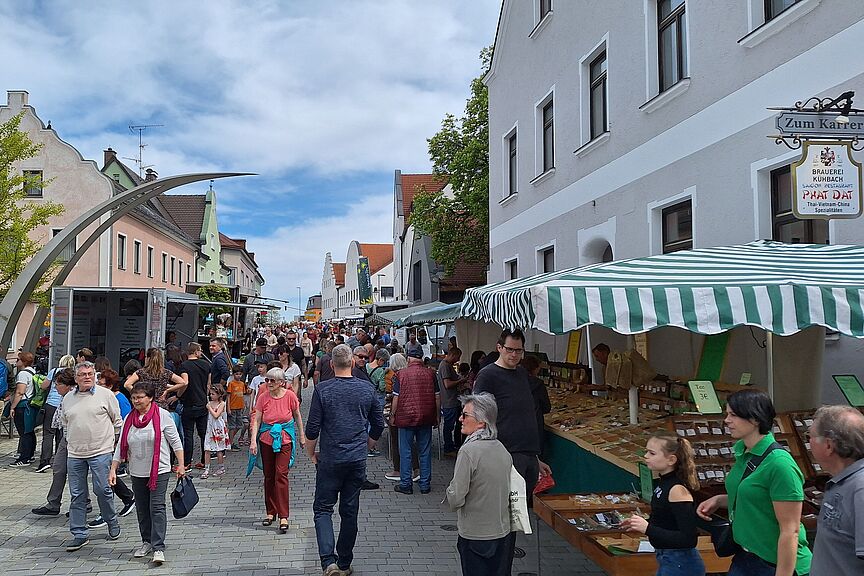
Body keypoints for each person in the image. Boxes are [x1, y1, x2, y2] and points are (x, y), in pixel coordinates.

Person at [696, 389, 811, 576]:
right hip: (745, 557)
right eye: (727, 414)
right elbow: (757, 497)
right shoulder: (743, 452)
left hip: (775, 565)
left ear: (755, 419)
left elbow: (790, 531)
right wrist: (720, 500)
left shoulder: (780, 464)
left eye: (733, 415)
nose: (726, 420)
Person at [473, 328, 552, 573]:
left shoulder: (521, 374)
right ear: (499, 348)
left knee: (513, 521)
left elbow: (525, 415)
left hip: (526, 458)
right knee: (502, 520)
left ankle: (503, 568)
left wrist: (535, 457)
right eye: (510, 350)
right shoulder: (488, 375)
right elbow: (479, 418)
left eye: (519, 351)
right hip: (504, 458)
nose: (515, 355)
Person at [306, 344, 385, 576]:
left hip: (330, 458)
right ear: (352, 363)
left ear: (331, 365)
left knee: (323, 508)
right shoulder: (366, 388)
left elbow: (312, 428)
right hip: (356, 458)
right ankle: (344, 562)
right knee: (350, 511)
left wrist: (311, 453)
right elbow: (378, 423)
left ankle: (328, 561)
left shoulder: (323, 390)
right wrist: (368, 444)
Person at [110, 381, 184, 566]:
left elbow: (176, 442)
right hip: (137, 470)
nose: (136, 401)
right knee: (142, 508)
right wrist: (113, 468)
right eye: (133, 398)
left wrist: (181, 465)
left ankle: (158, 547)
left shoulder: (163, 416)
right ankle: (146, 541)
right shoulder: (129, 418)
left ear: (150, 398)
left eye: (140, 397)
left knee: (156, 507)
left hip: (159, 470)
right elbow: (120, 446)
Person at [446, 392, 512, 576]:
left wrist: (449, 494)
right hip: (501, 531)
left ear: (481, 422)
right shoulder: (501, 448)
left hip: (476, 533)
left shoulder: (468, 451)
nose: (460, 419)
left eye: (465, 415)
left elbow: (456, 496)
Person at [621, 433, 705, 576]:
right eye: (646, 451)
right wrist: (642, 524)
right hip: (668, 558)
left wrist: (647, 528)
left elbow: (688, 538)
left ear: (671, 460)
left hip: (680, 563)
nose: (646, 456)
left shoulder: (677, 490)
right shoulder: (664, 483)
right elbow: (666, 520)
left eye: (652, 453)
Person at [62, 361, 123, 551]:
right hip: (75, 453)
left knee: (103, 490)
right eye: (83, 374)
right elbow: (65, 423)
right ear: (76, 378)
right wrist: (69, 441)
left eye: (90, 374)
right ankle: (79, 533)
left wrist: (116, 446)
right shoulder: (68, 398)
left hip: (101, 451)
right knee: (77, 494)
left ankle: (111, 520)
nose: (87, 377)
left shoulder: (106, 395)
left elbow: (117, 422)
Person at [808, 405, 864, 575]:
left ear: (828, 445)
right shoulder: (844, 481)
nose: (808, 442)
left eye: (810, 436)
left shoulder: (860, 489)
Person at [250, 367, 305, 534]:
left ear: (282, 382)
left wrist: (302, 436)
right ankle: (270, 511)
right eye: (267, 380)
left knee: (281, 474)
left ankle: (283, 515)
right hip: (266, 439)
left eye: (272, 380)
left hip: (285, 439)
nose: (268, 383)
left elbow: (297, 415)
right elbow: (257, 419)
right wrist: (253, 441)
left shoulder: (290, 396)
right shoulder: (263, 397)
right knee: (269, 475)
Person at [391, 348, 440, 495]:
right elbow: (437, 397)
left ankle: (406, 484)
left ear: (408, 359)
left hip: (406, 417)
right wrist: (437, 416)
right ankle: (425, 484)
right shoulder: (431, 374)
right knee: (425, 451)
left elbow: (396, 397)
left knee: (405, 451)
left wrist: (393, 414)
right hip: (426, 416)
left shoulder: (401, 374)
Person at [32, 368, 77, 516]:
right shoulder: (65, 397)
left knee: (77, 472)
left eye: (58, 384)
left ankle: (83, 504)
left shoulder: (75, 397)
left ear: (67, 385)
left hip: (77, 440)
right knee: (58, 468)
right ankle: (53, 503)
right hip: (66, 438)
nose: (55, 388)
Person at [36, 354, 77, 472]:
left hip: (51, 404)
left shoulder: (54, 371)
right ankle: (60, 460)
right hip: (67, 404)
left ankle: (44, 461)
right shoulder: (73, 374)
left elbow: (44, 386)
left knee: (48, 434)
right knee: (62, 434)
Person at [384, 353, 419, 483]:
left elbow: (395, 396)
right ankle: (416, 469)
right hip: (411, 410)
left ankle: (398, 470)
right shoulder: (410, 375)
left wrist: (392, 414)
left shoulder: (396, 376)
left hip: (399, 411)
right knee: (410, 441)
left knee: (396, 440)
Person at [177, 343, 211, 470]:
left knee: (188, 434)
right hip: (202, 403)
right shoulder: (206, 365)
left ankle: (187, 463)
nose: (201, 352)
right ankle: (204, 461)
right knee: (203, 434)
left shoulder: (184, 366)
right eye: (200, 350)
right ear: (196, 351)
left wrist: (178, 395)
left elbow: (184, 383)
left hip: (189, 403)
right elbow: (208, 385)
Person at [10, 351, 38, 467]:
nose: (16, 361)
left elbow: (20, 392)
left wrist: (12, 407)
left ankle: (24, 458)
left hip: (22, 405)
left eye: (18, 359)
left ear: (23, 362)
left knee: (24, 433)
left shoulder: (22, 374)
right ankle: (30, 455)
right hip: (30, 404)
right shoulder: (32, 372)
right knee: (29, 431)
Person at [438, 347, 468, 456]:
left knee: (454, 425)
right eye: (457, 357)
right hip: (449, 401)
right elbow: (447, 384)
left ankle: (452, 445)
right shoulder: (445, 366)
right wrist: (461, 380)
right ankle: (448, 448)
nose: (458, 360)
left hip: (452, 400)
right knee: (449, 426)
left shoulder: (447, 365)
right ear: (453, 355)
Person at [520, 355, 552, 459]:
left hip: (519, 424)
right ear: (535, 368)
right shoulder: (538, 384)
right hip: (535, 423)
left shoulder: (515, 381)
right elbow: (546, 407)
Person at [202, 384, 230, 478]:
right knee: (207, 448)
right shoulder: (209, 403)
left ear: (219, 394)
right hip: (210, 428)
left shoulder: (222, 404)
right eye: (210, 394)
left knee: (219, 449)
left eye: (213, 394)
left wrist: (209, 408)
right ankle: (206, 469)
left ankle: (221, 468)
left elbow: (216, 415)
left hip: (218, 429)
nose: (211, 396)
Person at [227, 364, 249, 449]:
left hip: (240, 407)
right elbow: (228, 397)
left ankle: (229, 440)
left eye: (240, 374)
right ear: (233, 374)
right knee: (232, 426)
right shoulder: (231, 384)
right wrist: (228, 408)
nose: (238, 376)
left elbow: (243, 395)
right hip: (232, 407)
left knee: (239, 425)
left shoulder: (242, 384)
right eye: (236, 374)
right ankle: (230, 443)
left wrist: (243, 405)